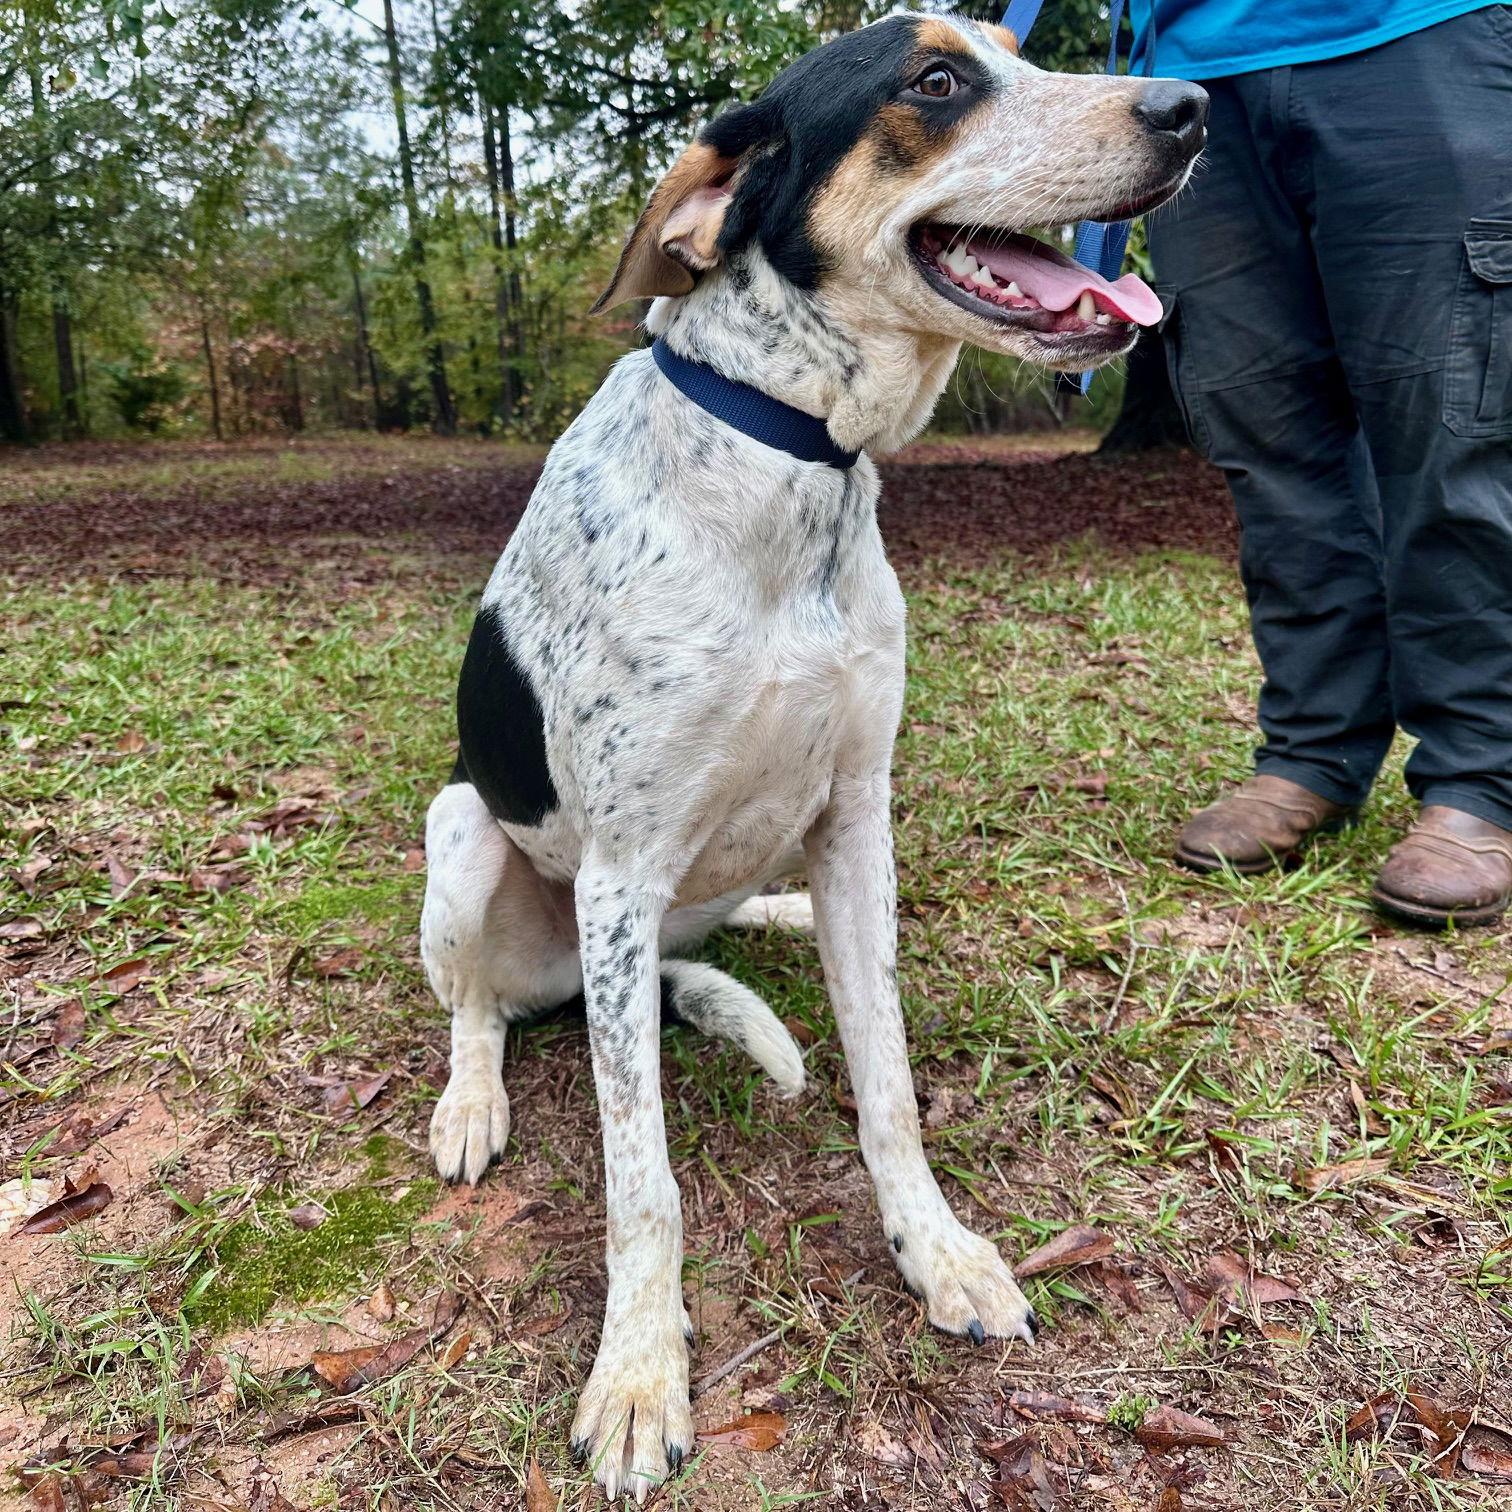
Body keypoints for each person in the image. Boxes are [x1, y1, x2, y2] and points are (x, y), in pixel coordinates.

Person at [1135, 0, 1512, 927]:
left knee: (1451, 427)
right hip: (1190, 68)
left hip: (1424, 31)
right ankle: (1314, 753)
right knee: (1267, 441)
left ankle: (1481, 777)